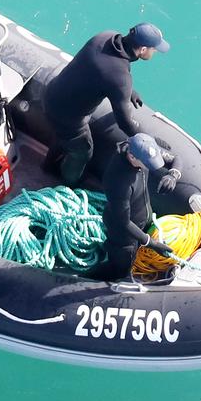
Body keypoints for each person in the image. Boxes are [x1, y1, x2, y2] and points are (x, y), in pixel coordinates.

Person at [44, 23, 170, 186]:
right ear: (143, 49)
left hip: (52, 94)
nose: (155, 52)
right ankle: (67, 185)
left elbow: (101, 69)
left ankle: (47, 166)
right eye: (154, 49)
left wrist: (128, 91)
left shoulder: (104, 36)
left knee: (63, 136)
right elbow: (124, 123)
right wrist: (149, 142)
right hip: (68, 117)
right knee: (83, 151)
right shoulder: (120, 77)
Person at [87, 134, 177, 281]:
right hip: (123, 232)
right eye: (148, 163)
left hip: (142, 215)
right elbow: (123, 222)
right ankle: (81, 277)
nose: (151, 166)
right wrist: (150, 242)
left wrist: (173, 175)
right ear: (132, 157)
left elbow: (176, 159)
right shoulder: (119, 182)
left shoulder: (144, 148)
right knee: (120, 268)